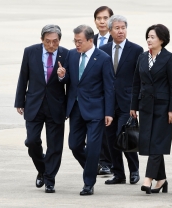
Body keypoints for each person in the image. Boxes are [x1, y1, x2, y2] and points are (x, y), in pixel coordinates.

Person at [57, 25, 115, 195]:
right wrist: (62, 75)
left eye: (79, 41)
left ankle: (88, 183)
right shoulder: (72, 55)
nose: (76, 44)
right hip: (75, 108)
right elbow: (69, 79)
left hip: (96, 110)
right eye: (75, 41)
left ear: (90, 40)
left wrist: (109, 112)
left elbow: (109, 87)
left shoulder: (103, 58)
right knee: (74, 145)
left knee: (93, 148)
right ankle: (92, 166)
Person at [14, 24, 68, 193]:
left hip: (56, 105)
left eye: (55, 42)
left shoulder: (66, 54)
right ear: (41, 39)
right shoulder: (30, 52)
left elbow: (71, 82)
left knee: (55, 146)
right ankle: (42, 169)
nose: (51, 45)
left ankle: (50, 179)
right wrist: (19, 101)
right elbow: (23, 76)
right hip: (34, 103)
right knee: (31, 141)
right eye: (48, 41)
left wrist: (63, 76)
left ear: (59, 41)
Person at [130, 24, 172, 194]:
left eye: (153, 37)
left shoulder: (169, 58)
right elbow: (136, 82)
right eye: (148, 36)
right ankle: (162, 179)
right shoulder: (142, 58)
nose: (149, 40)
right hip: (145, 106)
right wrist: (133, 106)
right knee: (151, 143)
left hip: (163, 107)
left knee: (157, 142)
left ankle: (148, 179)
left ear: (162, 40)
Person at [100, 15, 143, 185]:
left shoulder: (136, 50)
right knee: (110, 139)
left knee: (124, 135)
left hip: (127, 102)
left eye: (123, 27)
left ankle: (134, 170)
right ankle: (118, 173)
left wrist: (136, 103)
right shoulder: (103, 50)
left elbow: (139, 78)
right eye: (117, 28)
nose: (120, 31)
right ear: (110, 31)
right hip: (108, 102)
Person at [93, 5, 114, 175]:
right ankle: (102, 162)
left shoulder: (117, 40)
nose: (102, 21)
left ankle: (112, 162)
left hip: (111, 91)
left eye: (105, 18)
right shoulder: (89, 39)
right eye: (99, 18)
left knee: (110, 130)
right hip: (93, 92)